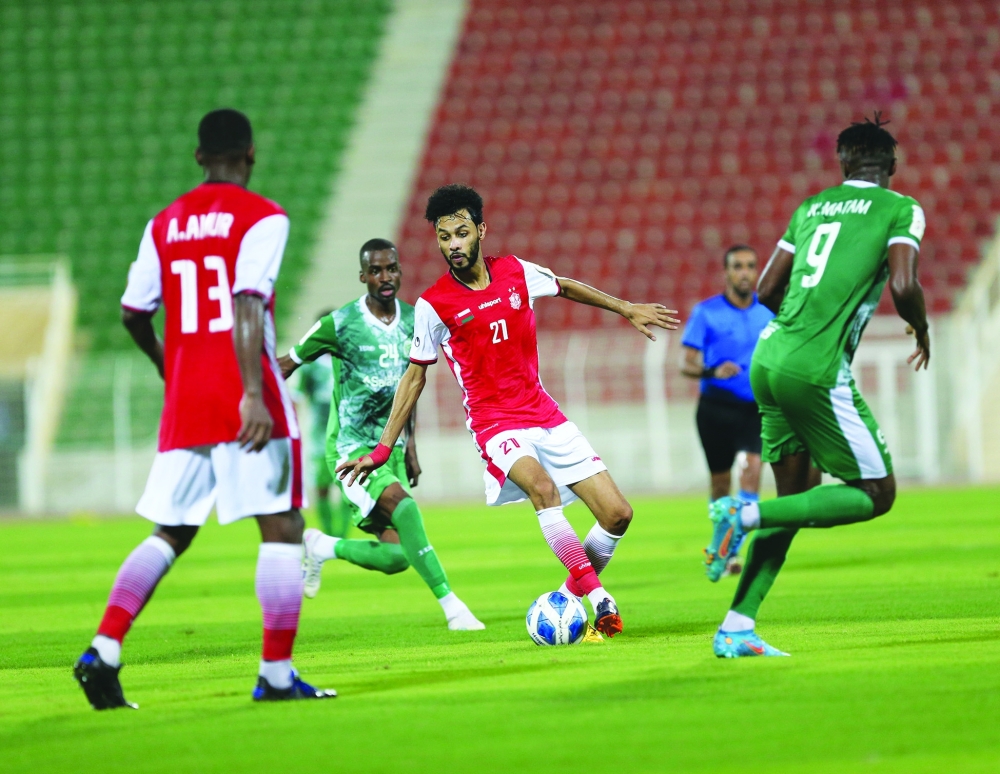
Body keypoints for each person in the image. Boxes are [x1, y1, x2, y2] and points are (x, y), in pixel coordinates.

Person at [73, 109, 336, 707]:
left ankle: (104, 650)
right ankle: (276, 676)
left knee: (171, 530)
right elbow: (247, 303)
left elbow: (133, 313)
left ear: (199, 157)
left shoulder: (163, 223)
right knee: (282, 526)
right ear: (250, 153)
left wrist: (168, 366)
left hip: (187, 397)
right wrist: (251, 393)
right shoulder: (263, 217)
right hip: (245, 393)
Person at [337, 185, 679, 638]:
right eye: (444, 237)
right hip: (495, 424)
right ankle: (601, 600)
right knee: (543, 489)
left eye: (461, 233)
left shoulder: (516, 271)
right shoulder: (433, 305)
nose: (453, 244)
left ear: (481, 230)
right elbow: (414, 377)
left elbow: (564, 285)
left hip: (545, 413)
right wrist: (383, 450)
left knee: (617, 515)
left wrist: (624, 308)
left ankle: (567, 598)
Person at [703, 115, 930, 657]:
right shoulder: (901, 208)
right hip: (814, 367)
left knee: (798, 502)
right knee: (876, 493)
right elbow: (904, 284)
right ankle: (743, 513)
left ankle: (736, 626)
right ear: (891, 166)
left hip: (769, 354)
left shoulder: (811, 208)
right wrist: (922, 329)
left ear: (844, 163)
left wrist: (799, 326)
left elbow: (765, 289)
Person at [280, 239, 483, 630]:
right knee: (404, 508)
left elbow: (410, 387)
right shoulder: (340, 323)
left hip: (392, 449)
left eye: (391, 268)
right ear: (363, 276)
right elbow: (286, 364)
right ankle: (453, 607)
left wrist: (411, 448)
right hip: (352, 451)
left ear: (400, 271)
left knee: (398, 557)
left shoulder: (414, 320)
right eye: (375, 271)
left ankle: (322, 546)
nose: (384, 277)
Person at [681, 245, 774, 575]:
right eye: (738, 266)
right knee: (721, 485)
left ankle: (734, 551)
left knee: (752, 467)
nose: (745, 272)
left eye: (750, 265)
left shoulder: (769, 312)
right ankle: (722, 543)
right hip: (715, 410)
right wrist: (712, 370)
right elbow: (687, 364)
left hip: (754, 409)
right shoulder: (706, 313)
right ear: (727, 273)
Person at [288, 309, 351, 538]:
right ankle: (328, 532)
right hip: (320, 436)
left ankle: (343, 534)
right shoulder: (310, 364)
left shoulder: (350, 359)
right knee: (322, 487)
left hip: (348, 435)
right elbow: (297, 396)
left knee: (349, 486)